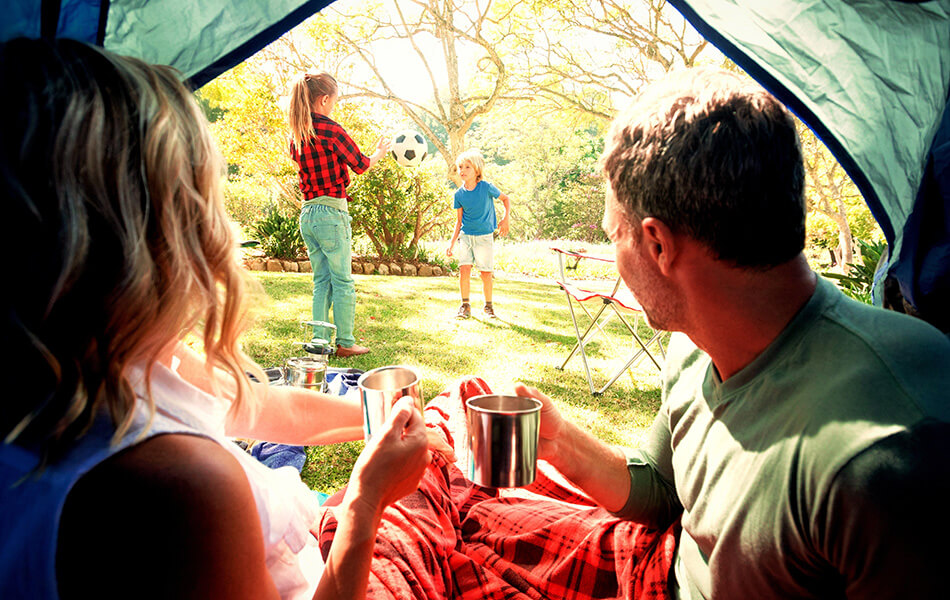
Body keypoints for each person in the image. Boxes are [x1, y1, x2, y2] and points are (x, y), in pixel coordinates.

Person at [318, 66, 950, 599]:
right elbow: (665, 487)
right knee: (458, 444)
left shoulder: (887, 459)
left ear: (657, 244)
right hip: (654, 562)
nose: (612, 252)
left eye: (611, 234)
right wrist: (561, 440)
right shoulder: (697, 343)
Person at [0, 37, 451, 600]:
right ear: (150, 237)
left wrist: (382, 422)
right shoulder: (183, 487)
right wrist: (365, 501)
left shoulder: (121, 359)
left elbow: (267, 407)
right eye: (198, 198)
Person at [288, 72, 390, 357]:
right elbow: (361, 165)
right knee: (342, 281)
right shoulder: (331, 130)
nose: (334, 106)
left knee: (321, 281)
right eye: (334, 100)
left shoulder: (296, 134)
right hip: (331, 213)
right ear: (324, 99)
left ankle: (319, 342)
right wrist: (379, 153)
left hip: (308, 213)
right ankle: (345, 342)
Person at [446, 149, 511, 319]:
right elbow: (458, 221)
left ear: (477, 171)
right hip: (466, 237)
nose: (462, 170)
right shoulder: (459, 194)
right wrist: (451, 243)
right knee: (464, 270)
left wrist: (505, 219)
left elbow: (506, 199)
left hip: (484, 237)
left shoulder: (486, 187)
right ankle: (465, 306)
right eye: (460, 167)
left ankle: (488, 306)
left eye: (467, 167)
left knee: (485, 273)